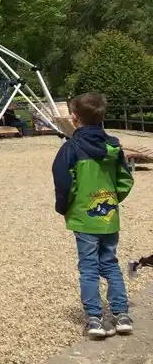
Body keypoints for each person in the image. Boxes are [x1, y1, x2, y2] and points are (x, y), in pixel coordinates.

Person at [52, 91, 134, 339]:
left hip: (84, 217)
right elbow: (125, 179)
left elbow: (64, 181)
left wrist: (65, 206)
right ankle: (121, 314)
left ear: (74, 118)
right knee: (110, 264)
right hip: (108, 216)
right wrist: (111, 199)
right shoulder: (113, 147)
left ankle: (95, 318)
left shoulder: (71, 148)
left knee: (88, 267)